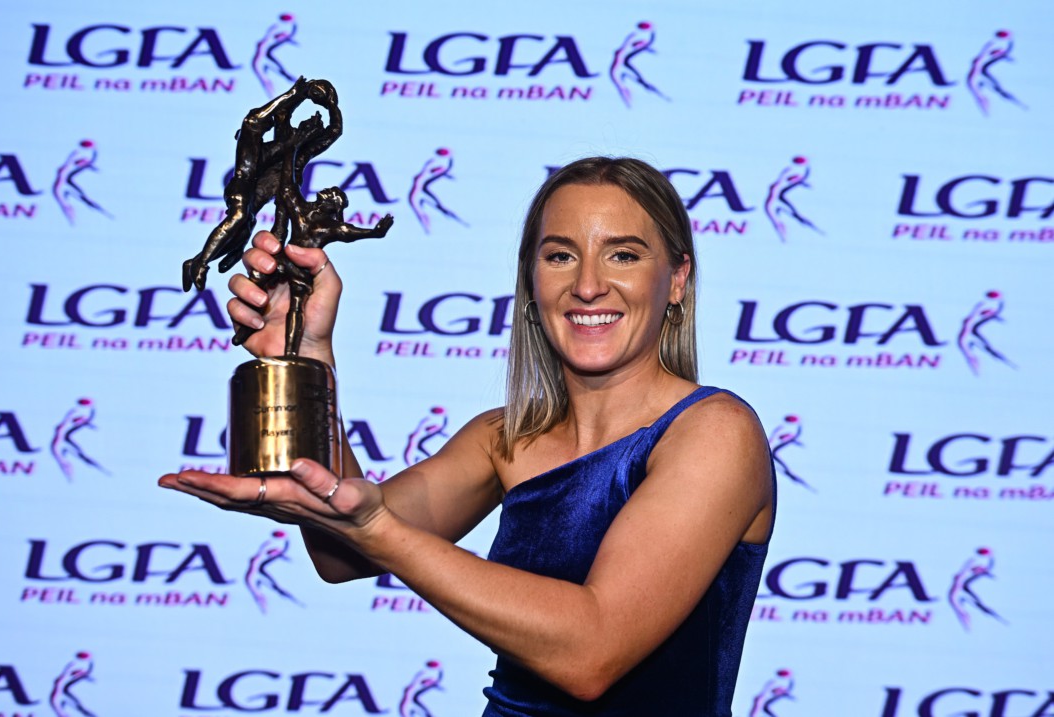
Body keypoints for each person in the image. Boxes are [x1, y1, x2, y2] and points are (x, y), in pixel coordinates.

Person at [159, 157, 776, 716]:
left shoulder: (715, 431)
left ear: (676, 279)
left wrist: (378, 529)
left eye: (623, 255)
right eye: (560, 256)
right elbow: (342, 552)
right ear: (531, 283)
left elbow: (592, 653)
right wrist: (305, 358)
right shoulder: (502, 437)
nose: (588, 285)